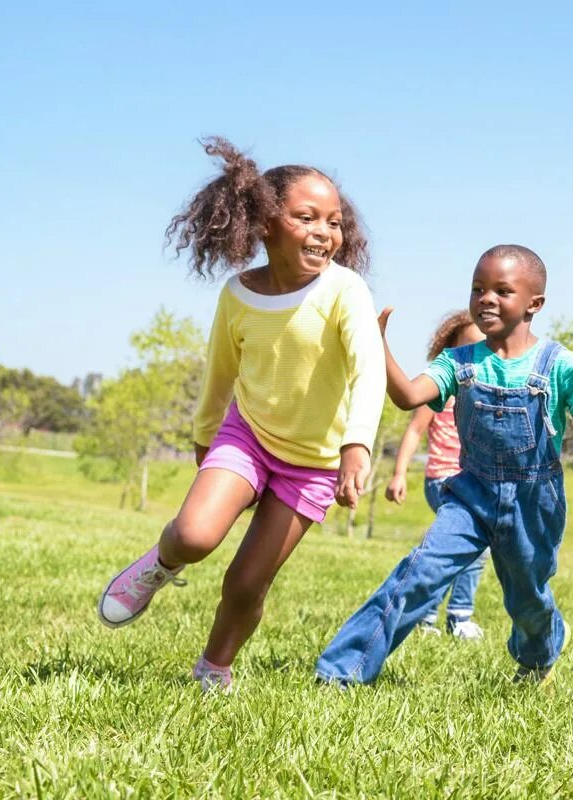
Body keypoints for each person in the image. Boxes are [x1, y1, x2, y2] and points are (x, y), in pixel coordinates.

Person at [97, 137, 385, 693]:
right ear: (265, 223)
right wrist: (206, 437)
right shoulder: (238, 294)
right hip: (248, 437)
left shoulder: (346, 290)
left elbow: (367, 369)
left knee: (246, 582)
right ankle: (160, 564)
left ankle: (213, 667)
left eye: (334, 221)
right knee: (196, 535)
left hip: (315, 463)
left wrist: (357, 445)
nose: (325, 232)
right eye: (307, 217)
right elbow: (219, 373)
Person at [316, 244, 573, 687]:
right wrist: (378, 343)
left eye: (502, 290)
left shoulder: (558, 364)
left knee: (527, 599)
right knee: (417, 575)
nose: (486, 298)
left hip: (533, 502)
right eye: (478, 289)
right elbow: (408, 396)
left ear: (534, 304)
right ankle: (342, 672)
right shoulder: (458, 362)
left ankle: (539, 656)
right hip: (470, 494)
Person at [385, 310, 489, 640]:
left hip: (472, 477)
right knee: (471, 544)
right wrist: (399, 473)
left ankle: (428, 615)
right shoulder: (438, 387)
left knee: (453, 546)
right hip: (442, 477)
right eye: (469, 345)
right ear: (451, 349)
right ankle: (458, 616)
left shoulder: (485, 390)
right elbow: (415, 431)